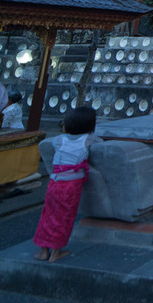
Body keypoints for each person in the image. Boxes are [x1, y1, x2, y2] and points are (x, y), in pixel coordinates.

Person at [33, 106, 98, 263]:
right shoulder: (88, 140)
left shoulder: (58, 140)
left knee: (48, 213)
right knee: (65, 216)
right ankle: (56, 251)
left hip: (55, 182)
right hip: (72, 185)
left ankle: (43, 250)